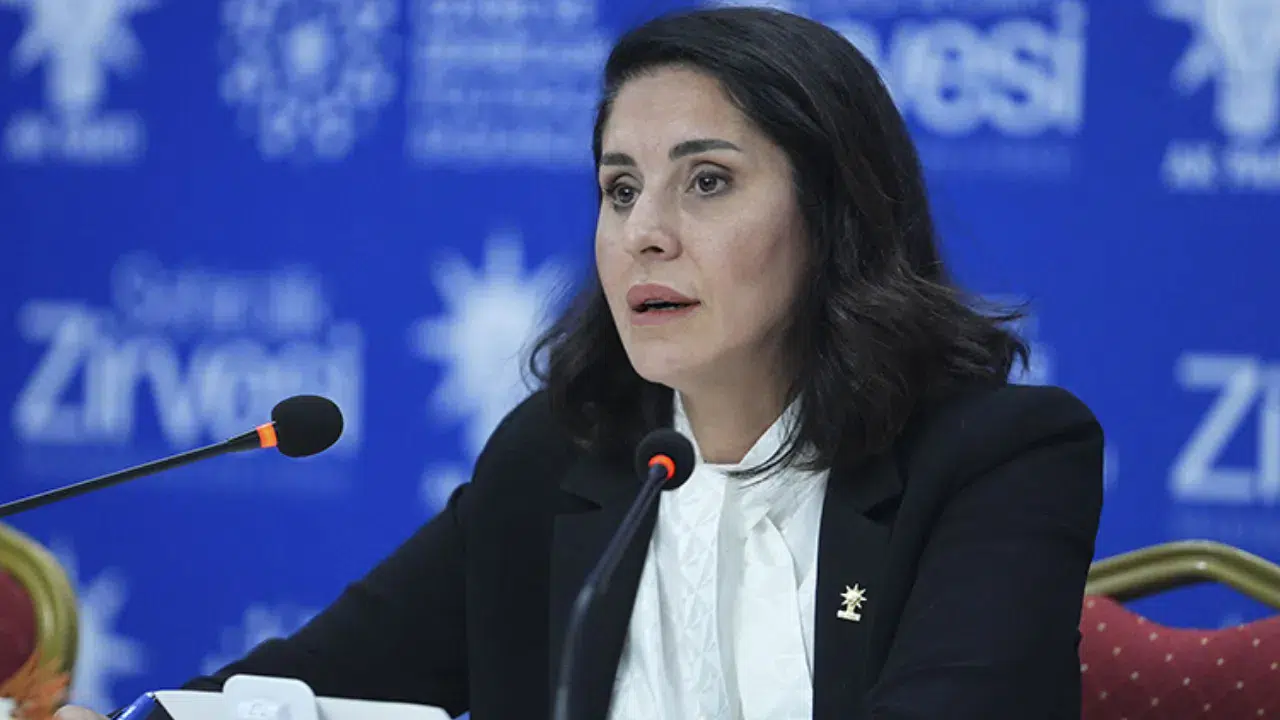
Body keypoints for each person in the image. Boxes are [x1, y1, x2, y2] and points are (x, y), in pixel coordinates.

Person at [59, 6, 1104, 720]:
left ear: (835, 216)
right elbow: (310, 684)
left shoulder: (999, 461)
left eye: (705, 182)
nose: (643, 233)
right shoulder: (566, 458)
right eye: (619, 189)